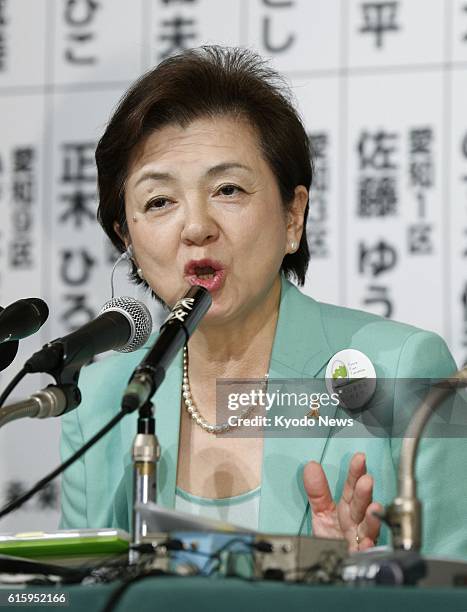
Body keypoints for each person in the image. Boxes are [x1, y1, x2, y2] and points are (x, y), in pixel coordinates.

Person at [60, 46, 466, 558]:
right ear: (127, 239)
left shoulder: (402, 371)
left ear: (293, 216)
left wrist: (363, 586)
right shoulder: (99, 401)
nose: (197, 227)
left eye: (228, 189)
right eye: (158, 201)